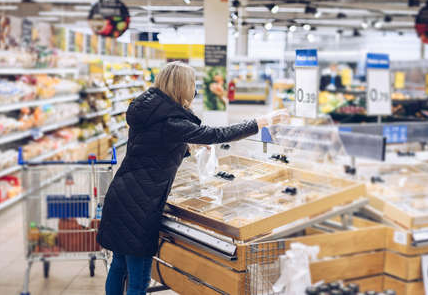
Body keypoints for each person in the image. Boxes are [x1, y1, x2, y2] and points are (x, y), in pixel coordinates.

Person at [97, 61, 287, 295]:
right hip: (141, 204)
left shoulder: (147, 111)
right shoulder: (172, 121)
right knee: (138, 280)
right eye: (192, 84)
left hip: (122, 194)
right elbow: (216, 134)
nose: (195, 89)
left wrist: (188, 148)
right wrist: (260, 122)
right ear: (183, 87)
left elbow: (152, 147)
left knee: (118, 267)